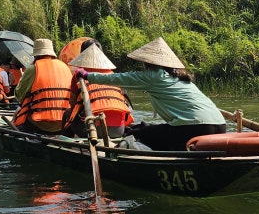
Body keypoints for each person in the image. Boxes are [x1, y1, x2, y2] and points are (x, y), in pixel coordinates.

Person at [72, 37, 225, 150]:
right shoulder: (181, 77)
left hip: (193, 127)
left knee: (140, 134)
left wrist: (87, 76)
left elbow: (119, 78)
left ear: (148, 62)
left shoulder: (153, 76)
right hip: (219, 125)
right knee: (147, 129)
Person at [65, 44, 134, 138]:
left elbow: (72, 103)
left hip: (92, 129)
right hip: (118, 130)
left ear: (82, 55)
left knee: (67, 113)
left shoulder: (79, 75)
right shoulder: (114, 76)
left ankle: (65, 145)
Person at [12, 39, 73, 134]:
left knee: (19, 111)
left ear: (36, 54)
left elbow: (19, 96)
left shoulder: (33, 68)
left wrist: (22, 80)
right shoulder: (65, 67)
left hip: (39, 124)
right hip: (65, 122)